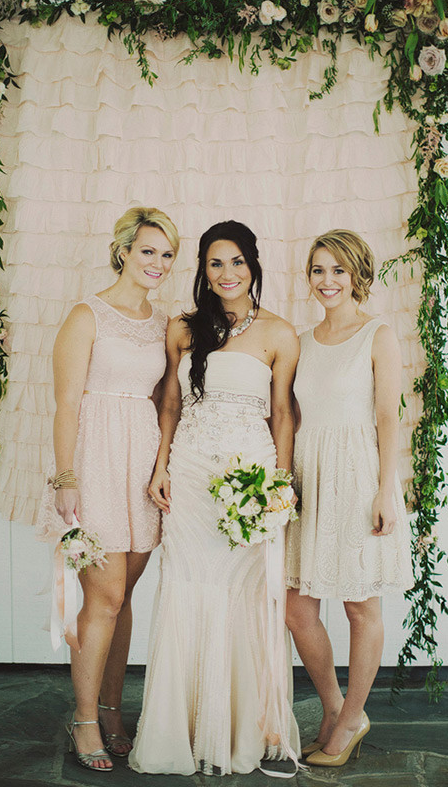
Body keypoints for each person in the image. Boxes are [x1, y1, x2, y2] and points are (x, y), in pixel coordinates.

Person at [128, 220, 301, 776]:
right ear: (203, 270)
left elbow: (282, 414)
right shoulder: (182, 328)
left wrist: (280, 484)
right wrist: (161, 466)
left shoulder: (279, 333)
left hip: (249, 480)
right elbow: (170, 404)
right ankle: (180, 730)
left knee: (242, 595)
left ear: (254, 265)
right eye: (215, 263)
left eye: (237, 262)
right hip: (192, 474)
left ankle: (238, 732)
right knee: (185, 588)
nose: (227, 274)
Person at [37, 206, 179, 772]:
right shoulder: (86, 315)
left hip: (140, 462)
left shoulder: (164, 322)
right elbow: (66, 403)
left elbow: (165, 400)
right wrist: (65, 477)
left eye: (167, 254)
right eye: (148, 251)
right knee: (104, 597)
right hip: (94, 460)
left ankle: (112, 709)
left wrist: (163, 466)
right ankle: (84, 719)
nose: (157, 263)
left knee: (124, 598)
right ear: (123, 251)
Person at [285, 229, 414, 767]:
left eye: (338, 269)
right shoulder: (302, 340)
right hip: (310, 478)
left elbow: (388, 417)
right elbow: (292, 416)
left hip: (360, 478)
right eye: (318, 270)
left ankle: (354, 716)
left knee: (361, 607)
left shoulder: (377, 335)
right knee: (297, 608)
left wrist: (386, 490)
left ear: (358, 273)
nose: (327, 280)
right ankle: (336, 707)